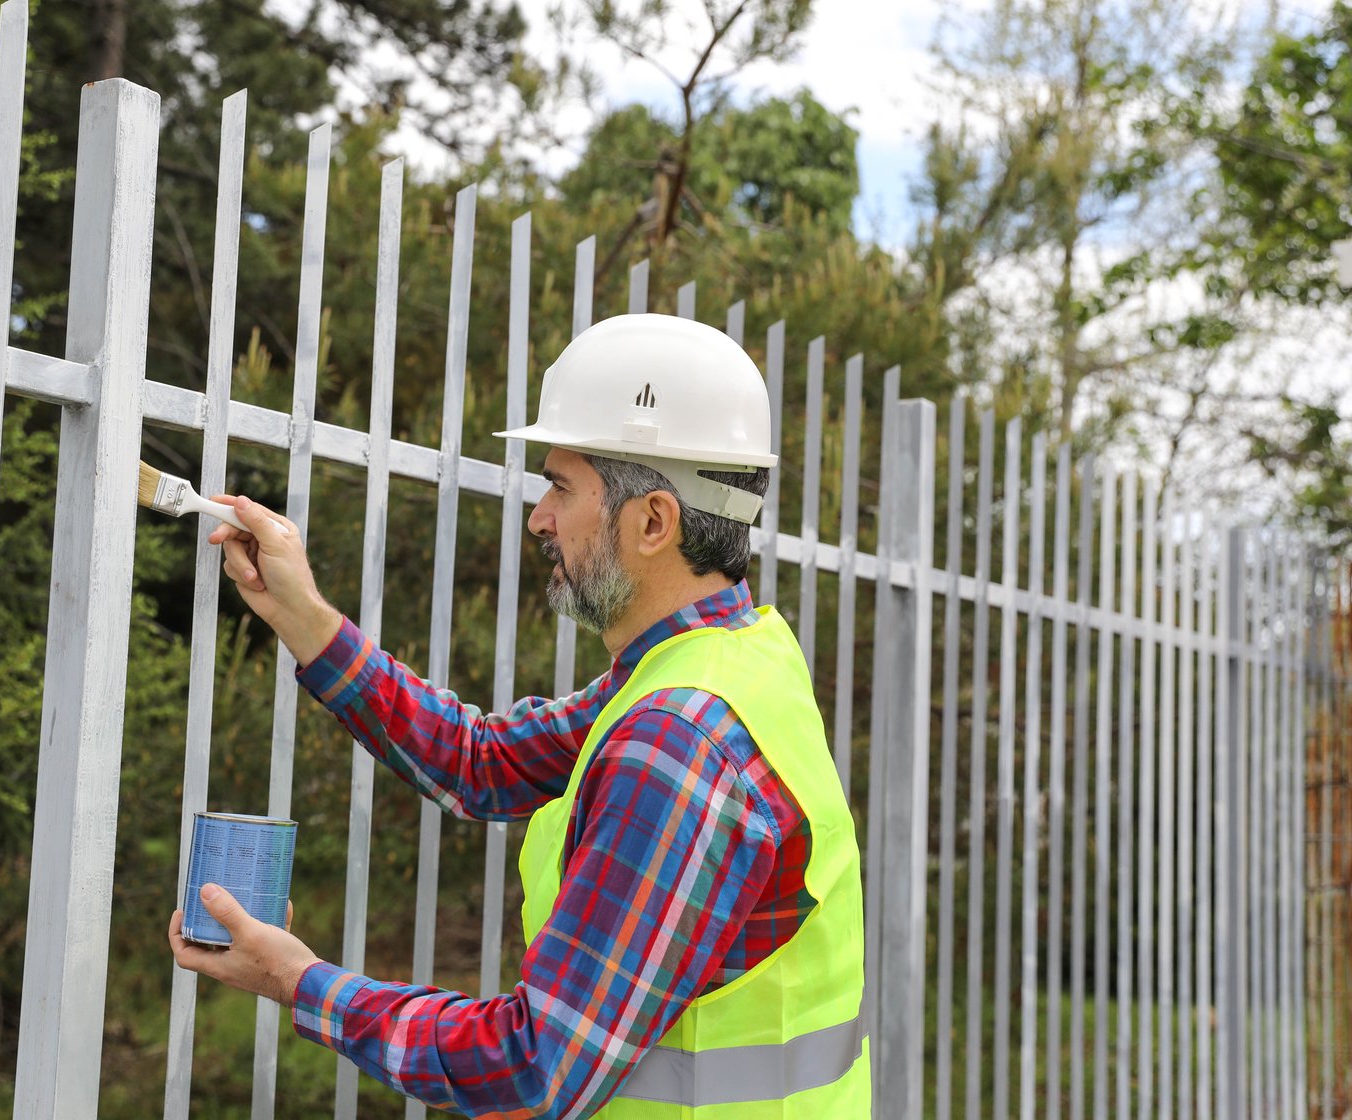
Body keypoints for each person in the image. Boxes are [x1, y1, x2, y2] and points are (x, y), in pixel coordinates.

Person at [168, 313, 869, 1118]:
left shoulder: (680, 736)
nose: (539, 517)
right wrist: (305, 618)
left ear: (653, 523)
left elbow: (535, 1067)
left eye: (562, 487)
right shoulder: (730, 658)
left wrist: (299, 982)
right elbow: (484, 761)